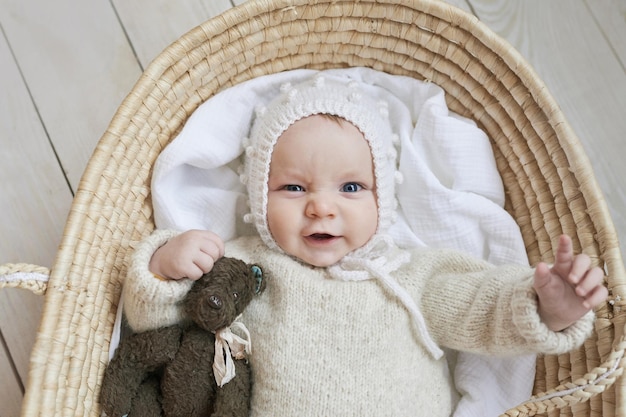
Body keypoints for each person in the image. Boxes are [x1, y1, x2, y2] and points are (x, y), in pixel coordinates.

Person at [122, 75, 608, 416]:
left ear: (384, 201)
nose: (321, 208)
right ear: (256, 199)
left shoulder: (410, 275)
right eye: (294, 188)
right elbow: (164, 326)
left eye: (350, 188)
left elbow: (484, 310)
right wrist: (166, 265)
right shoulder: (247, 267)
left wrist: (548, 307)